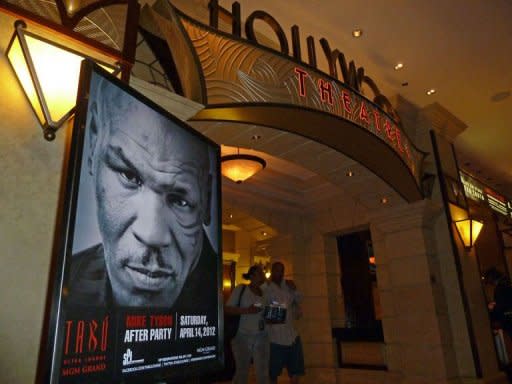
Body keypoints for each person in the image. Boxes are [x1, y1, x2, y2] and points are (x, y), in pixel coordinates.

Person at [66, 74, 217, 309]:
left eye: (180, 200)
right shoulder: (71, 281)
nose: (152, 234)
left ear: (206, 198)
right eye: (129, 176)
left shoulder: (213, 301)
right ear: (94, 141)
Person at [225, 265, 269, 384]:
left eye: (263, 273)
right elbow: (227, 309)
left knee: (263, 372)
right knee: (242, 372)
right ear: (252, 275)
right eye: (260, 273)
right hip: (242, 336)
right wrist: (247, 310)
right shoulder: (241, 289)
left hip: (262, 336)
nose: (263, 275)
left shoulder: (264, 292)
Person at [265, 262, 305, 384]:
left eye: (282, 270)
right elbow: (261, 307)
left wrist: (295, 288)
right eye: (277, 270)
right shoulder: (265, 287)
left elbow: (299, 299)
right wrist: (282, 307)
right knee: (273, 373)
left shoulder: (287, 285)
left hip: (292, 336)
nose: (280, 273)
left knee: (296, 372)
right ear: (272, 271)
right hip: (275, 339)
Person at [483, 267, 512, 381]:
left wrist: (492, 309)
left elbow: (501, 306)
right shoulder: (507, 285)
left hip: (508, 319)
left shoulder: (500, 289)